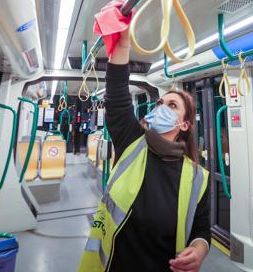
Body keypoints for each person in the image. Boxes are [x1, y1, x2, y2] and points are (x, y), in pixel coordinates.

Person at [78, 26, 211, 272]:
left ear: (184, 124)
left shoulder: (197, 177)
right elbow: (117, 95)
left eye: (171, 105)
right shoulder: (132, 141)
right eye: (159, 102)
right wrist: (122, 42)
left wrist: (200, 248)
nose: (160, 106)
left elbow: (201, 227)